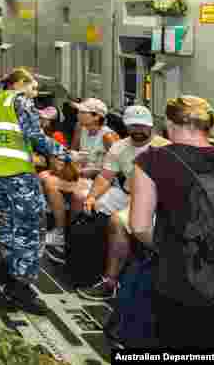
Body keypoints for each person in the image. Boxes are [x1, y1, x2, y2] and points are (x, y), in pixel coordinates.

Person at [129, 96, 214, 348]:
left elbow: (139, 226)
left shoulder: (152, 160)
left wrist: (167, 247)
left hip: (179, 277)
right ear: (209, 128)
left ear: (169, 125)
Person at [0, 68, 71, 314]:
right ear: (19, 83)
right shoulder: (20, 101)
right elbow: (35, 136)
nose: (35, 93)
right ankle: (21, 288)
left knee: (6, 226)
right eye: (33, 87)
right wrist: (65, 154)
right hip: (18, 176)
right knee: (31, 230)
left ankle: (7, 275)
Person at [71, 105, 169, 291]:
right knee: (86, 203)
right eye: (133, 126)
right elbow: (105, 177)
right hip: (127, 193)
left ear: (150, 127)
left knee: (117, 221)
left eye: (142, 126)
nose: (137, 131)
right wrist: (91, 198)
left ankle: (110, 280)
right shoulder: (119, 147)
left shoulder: (164, 148)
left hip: (154, 200)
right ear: (126, 126)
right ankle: (80, 262)